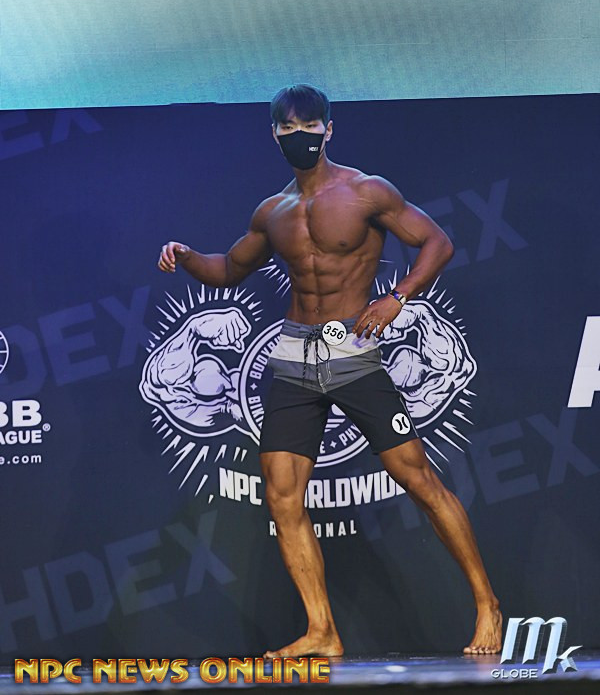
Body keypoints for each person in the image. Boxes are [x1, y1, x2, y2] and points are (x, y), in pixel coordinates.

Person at [158, 84, 502, 658]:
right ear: (274, 135)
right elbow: (228, 270)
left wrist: (398, 298)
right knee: (282, 495)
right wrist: (186, 255)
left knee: (418, 480)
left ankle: (488, 604)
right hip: (295, 356)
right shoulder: (273, 212)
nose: (300, 137)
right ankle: (322, 630)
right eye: (288, 129)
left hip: (353, 351)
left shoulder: (367, 192)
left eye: (309, 127)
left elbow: (437, 243)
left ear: (329, 129)